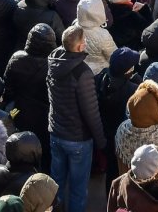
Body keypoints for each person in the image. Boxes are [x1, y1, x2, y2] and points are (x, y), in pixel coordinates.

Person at [47, 25, 107, 212]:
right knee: (78, 190)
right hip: (78, 140)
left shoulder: (53, 62)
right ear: (80, 47)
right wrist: (101, 141)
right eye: (84, 41)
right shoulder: (83, 73)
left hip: (56, 132)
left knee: (55, 183)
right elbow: (91, 111)